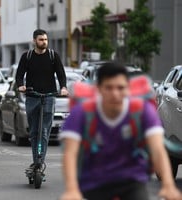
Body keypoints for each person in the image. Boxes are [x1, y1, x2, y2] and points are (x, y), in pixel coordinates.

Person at [59, 62, 182, 200]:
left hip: (132, 179)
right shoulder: (82, 112)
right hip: (94, 179)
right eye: (109, 88)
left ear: (128, 89)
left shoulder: (141, 111)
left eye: (120, 88)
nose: (115, 94)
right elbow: (70, 153)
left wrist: (168, 186)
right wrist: (71, 189)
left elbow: (158, 149)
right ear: (98, 89)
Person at [16, 29, 68, 172]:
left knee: (44, 131)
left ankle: (40, 162)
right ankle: (35, 160)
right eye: (41, 40)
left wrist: (63, 87)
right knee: (33, 132)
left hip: (49, 97)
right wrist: (21, 85)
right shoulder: (27, 56)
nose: (44, 42)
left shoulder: (53, 56)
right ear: (34, 41)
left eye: (45, 40)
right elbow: (19, 75)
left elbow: (61, 74)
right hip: (32, 97)